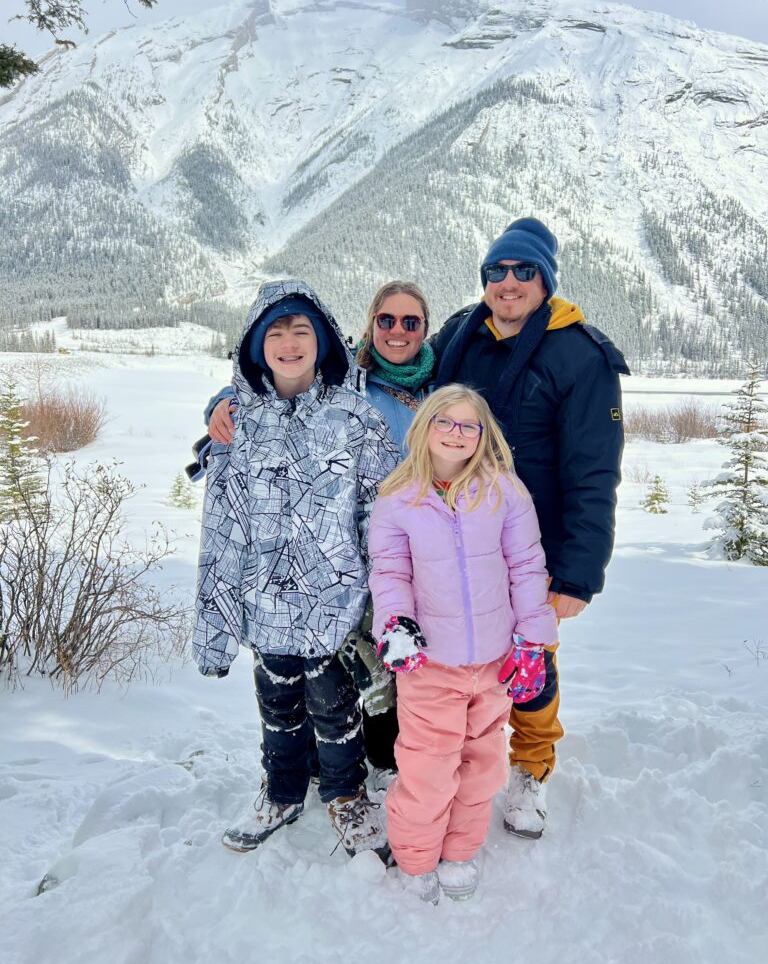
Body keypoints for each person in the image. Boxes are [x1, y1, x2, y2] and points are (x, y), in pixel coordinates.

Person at [432, 217, 629, 840]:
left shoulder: (579, 352)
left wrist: (577, 572)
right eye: (497, 271)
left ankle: (531, 767)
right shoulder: (462, 334)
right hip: (454, 539)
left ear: (545, 279)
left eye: (524, 272)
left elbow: (594, 472)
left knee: (530, 661)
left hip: (530, 549)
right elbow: (386, 372)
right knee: (462, 659)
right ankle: (465, 757)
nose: (509, 283)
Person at [194, 279, 399, 859]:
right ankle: (281, 792)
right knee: (276, 703)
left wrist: (386, 606)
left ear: (323, 340)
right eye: (275, 332)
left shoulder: (355, 419)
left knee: (336, 708)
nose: (288, 342)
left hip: (333, 607)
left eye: (301, 330)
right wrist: (215, 627)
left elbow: (379, 516)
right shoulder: (237, 425)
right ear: (257, 346)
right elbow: (222, 529)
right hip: (264, 603)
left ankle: (347, 796)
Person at [368, 384, 558, 903]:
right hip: (429, 664)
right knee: (428, 768)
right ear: (425, 427)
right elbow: (388, 571)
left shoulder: (506, 493)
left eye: (467, 425)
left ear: (483, 435)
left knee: (482, 766)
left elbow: (526, 568)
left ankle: (459, 851)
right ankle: (416, 857)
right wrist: (395, 623)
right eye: (445, 422)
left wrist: (533, 641)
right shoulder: (397, 497)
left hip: (496, 662)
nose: (456, 433)